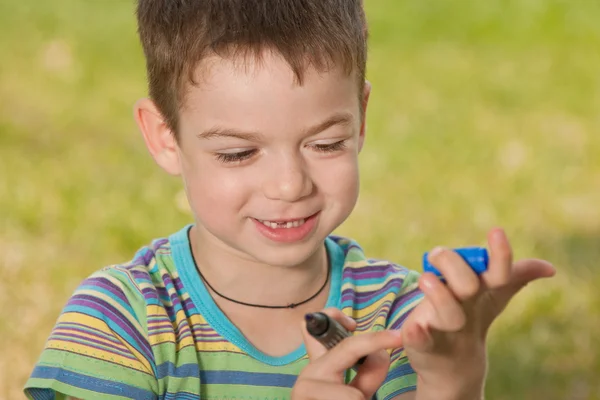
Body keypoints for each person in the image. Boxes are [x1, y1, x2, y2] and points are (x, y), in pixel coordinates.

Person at [24, 1, 555, 399]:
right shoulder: (122, 321)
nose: (289, 185)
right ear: (165, 137)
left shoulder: (399, 317)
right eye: (237, 153)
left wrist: (452, 377)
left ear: (362, 117)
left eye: (326, 144)